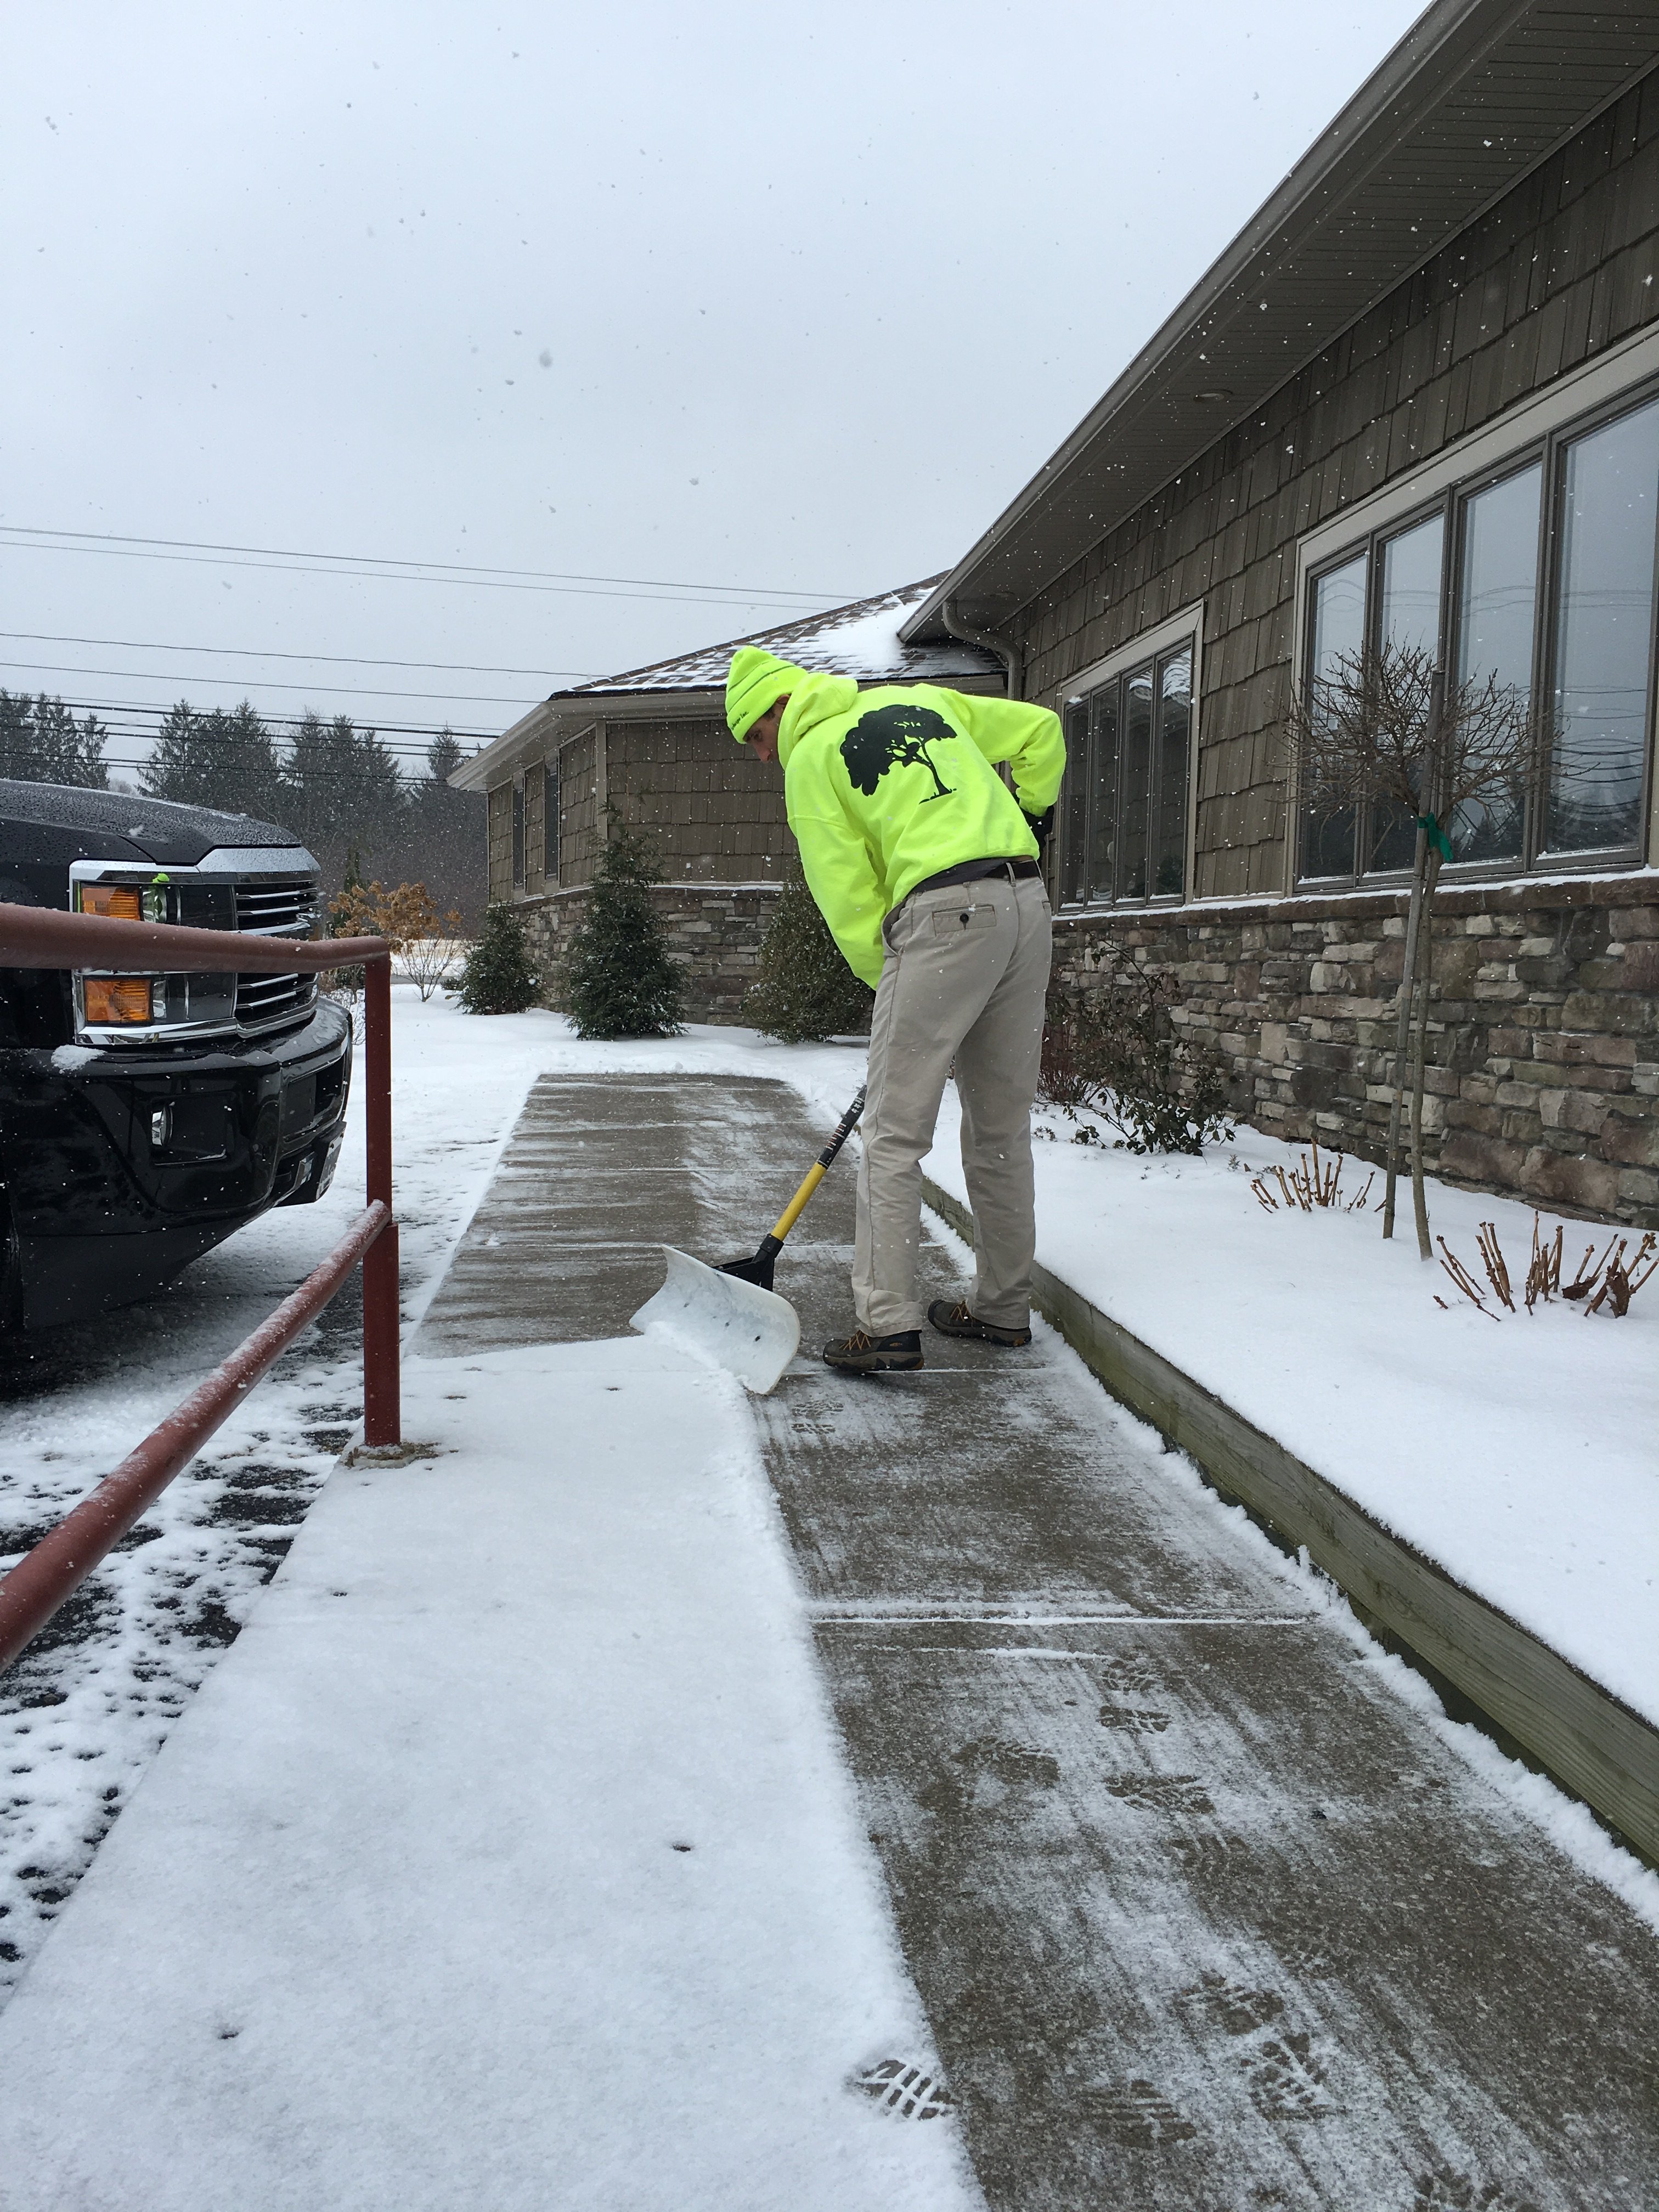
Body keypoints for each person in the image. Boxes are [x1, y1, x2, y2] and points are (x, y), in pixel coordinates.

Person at [726, 644, 1064, 1373]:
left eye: (756, 737)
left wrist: (898, 995)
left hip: (941, 916)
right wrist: (1033, 819)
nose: (763, 757)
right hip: (1028, 906)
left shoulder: (814, 759)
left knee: (891, 1135)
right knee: (1001, 1128)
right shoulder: (926, 703)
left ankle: (885, 1327)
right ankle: (1002, 1309)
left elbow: (851, 905)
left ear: (780, 707)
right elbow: (1041, 732)